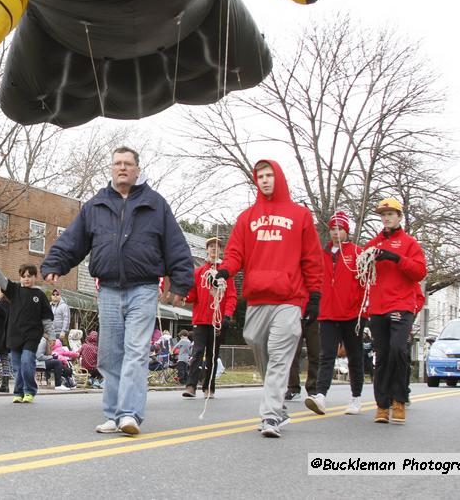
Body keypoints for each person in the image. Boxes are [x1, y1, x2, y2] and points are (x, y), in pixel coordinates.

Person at [41, 146, 194, 436]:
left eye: (127, 164)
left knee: (136, 352)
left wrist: (182, 280)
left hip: (144, 289)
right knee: (110, 356)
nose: (122, 168)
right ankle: (112, 415)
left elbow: (176, 245)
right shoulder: (96, 205)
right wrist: (56, 262)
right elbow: (74, 240)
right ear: (111, 169)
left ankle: (130, 415)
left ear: (137, 169)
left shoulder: (155, 204)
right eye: (117, 164)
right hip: (109, 290)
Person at [215, 159, 323, 438]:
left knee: (278, 354)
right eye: (260, 176)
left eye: (269, 175)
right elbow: (235, 252)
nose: (264, 180)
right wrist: (225, 271)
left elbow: (312, 259)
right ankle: (278, 403)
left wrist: (315, 296)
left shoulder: (300, 215)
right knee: (253, 340)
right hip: (258, 297)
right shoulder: (247, 217)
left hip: (289, 297)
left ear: (279, 177)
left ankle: (271, 416)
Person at [364, 197, 427, 425]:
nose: (386, 217)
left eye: (390, 214)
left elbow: (420, 272)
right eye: (383, 214)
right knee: (381, 356)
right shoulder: (373, 244)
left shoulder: (410, 243)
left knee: (398, 349)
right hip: (378, 306)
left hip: (401, 304)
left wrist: (396, 258)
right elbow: (359, 273)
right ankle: (382, 405)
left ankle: (399, 400)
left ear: (399, 216)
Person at [304, 212, 366, 416]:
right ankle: (321, 395)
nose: (335, 232)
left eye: (340, 228)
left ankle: (356, 397)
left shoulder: (357, 253)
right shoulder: (322, 254)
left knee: (355, 356)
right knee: (326, 355)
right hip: (328, 313)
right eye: (333, 228)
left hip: (352, 315)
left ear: (346, 231)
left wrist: (363, 310)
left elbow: (365, 284)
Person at [0, 258, 54, 404]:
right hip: (15, 334)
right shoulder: (14, 290)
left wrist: (51, 336)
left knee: (27, 361)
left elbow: (47, 318)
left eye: (30, 276)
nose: (26, 279)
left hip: (32, 336)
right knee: (16, 365)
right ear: (20, 277)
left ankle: (29, 391)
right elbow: (1, 280)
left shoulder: (40, 295)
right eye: (24, 276)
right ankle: (18, 392)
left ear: (35, 277)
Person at [182, 237, 236, 399]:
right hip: (200, 319)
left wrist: (227, 316)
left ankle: (208, 387)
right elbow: (192, 295)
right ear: (206, 249)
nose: (213, 249)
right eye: (211, 246)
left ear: (220, 251)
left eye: (217, 247)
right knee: (197, 351)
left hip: (217, 320)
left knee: (213, 354)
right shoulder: (198, 272)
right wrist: (182, 296)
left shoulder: (226, 274)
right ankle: (191, 385)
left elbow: (232, 296)